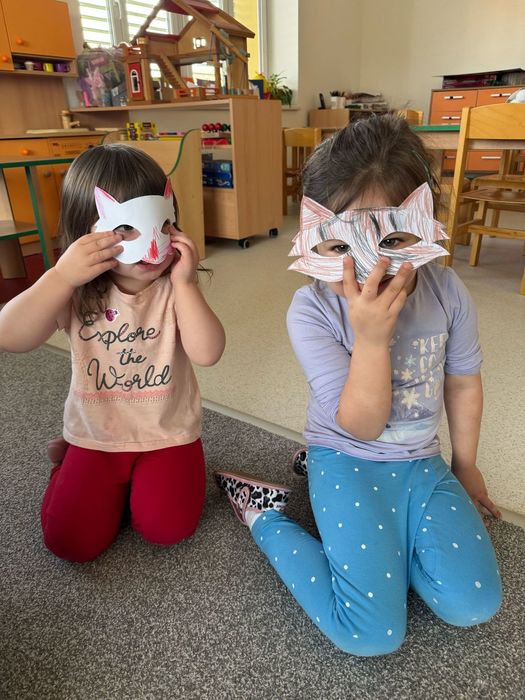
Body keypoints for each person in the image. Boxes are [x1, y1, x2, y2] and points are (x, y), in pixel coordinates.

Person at [215, 114, 502, 656]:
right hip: (347, 453)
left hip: (420, 462)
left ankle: (383, 535)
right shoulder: (311, 310)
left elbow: (463, 382)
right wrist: (371, 339)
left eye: (394, 239)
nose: (372, 268)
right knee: (371, 633)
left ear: (425, 223)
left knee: (474, 603)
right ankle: (263, 513)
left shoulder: (446, 291)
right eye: (343, 246)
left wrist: (465, 465)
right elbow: (361, 425)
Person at [0, 144, 225, 563]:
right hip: (97, 436)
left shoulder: (174, 289)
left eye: (164, 223)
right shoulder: (75, 292)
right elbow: (10, 336)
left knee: (168, 529)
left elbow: (208, 352)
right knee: (70, 542)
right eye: (126, 228)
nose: (151, 244)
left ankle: (129, 487)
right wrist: (60, 276)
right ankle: (66, 465)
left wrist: (186, 285)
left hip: (167, 433)